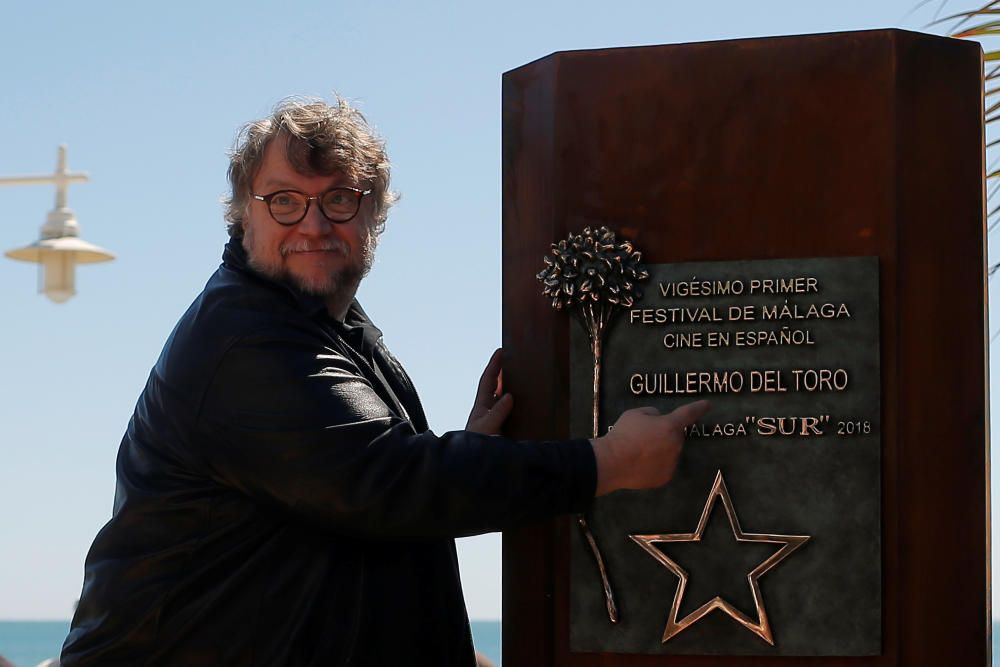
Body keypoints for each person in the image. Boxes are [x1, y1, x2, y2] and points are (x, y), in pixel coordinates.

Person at [61, 97, 709, 666]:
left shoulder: (323, 323)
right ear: (241, 215)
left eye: (339, 199)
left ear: (375, 213)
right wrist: (608, 462)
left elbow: (356, 486)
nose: (313, 225)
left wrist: (466, 447)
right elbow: (388, 481)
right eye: (284, 200)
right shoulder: (244, 339)